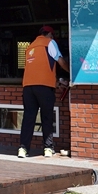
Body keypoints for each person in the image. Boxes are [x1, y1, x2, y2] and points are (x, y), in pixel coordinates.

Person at [19, 26, 70, 158]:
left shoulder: (30, 47)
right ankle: (48, 148)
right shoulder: (49, 43)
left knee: (28, 118)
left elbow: (39, 69)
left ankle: (23, 149)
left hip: (28, 87)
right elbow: (60, 61)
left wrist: (57, 81)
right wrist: (72, 73)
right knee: (46, 117)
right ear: (49, 35)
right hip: (44, 88)